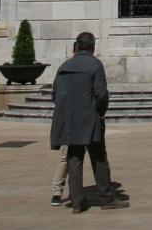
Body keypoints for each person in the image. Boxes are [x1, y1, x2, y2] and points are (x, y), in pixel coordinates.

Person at [49, 32, 124, 212]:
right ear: (92, 47)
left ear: (77, 46)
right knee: (99, 159)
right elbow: (101, 94)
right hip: (90, 120)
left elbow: (55, 94)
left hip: (70, 122)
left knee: (74, 159)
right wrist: (100, 113)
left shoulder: (64, 66)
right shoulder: (95, 65)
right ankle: (106, 199)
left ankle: (77, 202)